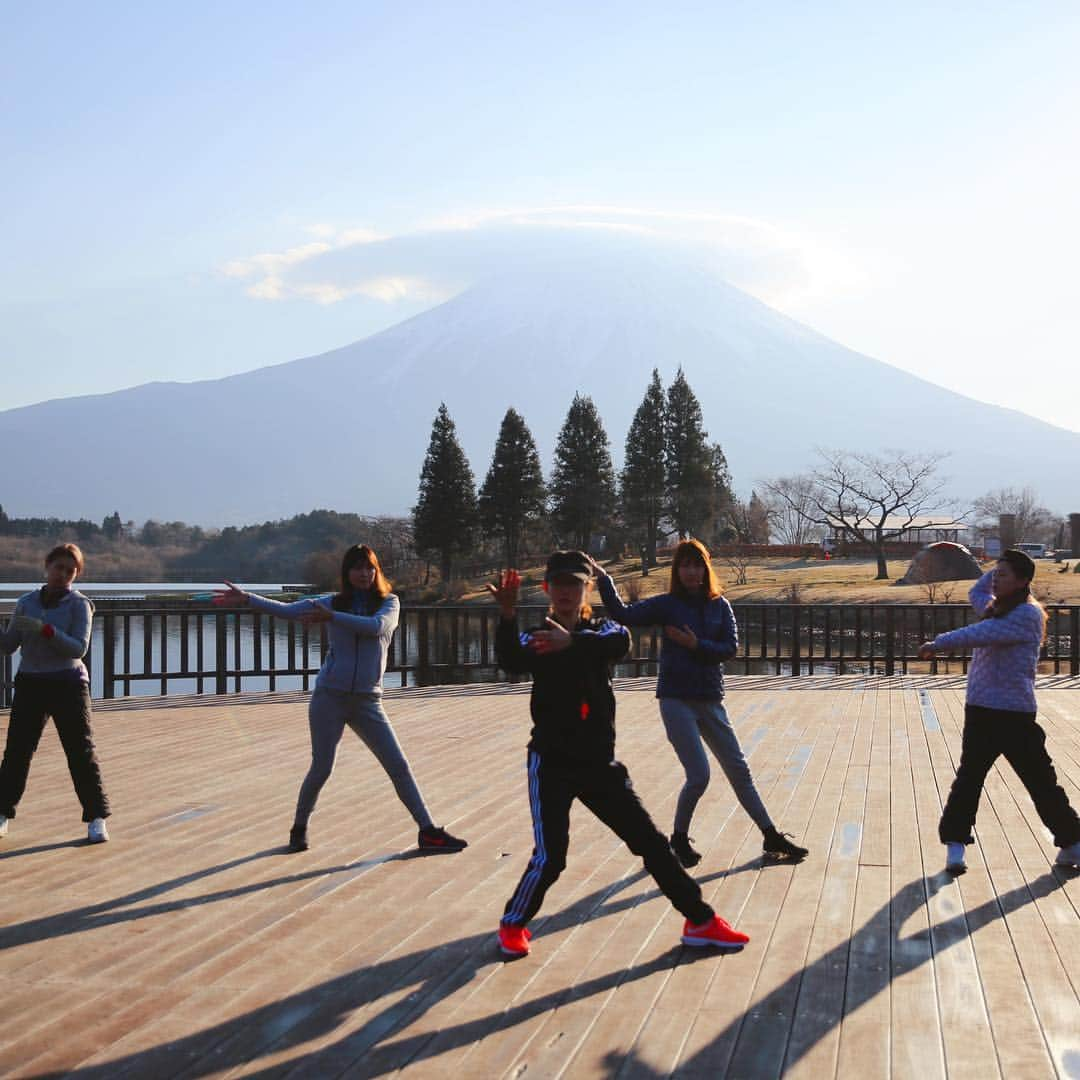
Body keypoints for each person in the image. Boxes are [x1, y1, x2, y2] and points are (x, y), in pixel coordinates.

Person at [489, 550, 749, 958]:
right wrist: (506, 617)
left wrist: (570, 641)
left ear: (586, 588)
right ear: (546, 589)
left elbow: (618, 642)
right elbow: (510, 660)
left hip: (599, 764)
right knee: (551, 857)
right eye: (558, 584)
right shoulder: (535, 636)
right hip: (551, 762)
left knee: (652, 844)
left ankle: (700, 920)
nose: (566, 592)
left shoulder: (602, 630)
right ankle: (513, 924)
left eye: (575, 583)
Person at [214, 544, 466, 854]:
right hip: (329, 697)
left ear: (376, 571)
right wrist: (248, 599)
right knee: (322, 768)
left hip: (367, 701)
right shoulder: (330, 603)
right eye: (357, 568)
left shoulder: (389, 603)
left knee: (398, 765)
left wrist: (333, 617)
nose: (364, 573)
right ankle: (299, 828)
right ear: (347, 573)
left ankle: (428, 832)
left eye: (369, 567)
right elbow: (289, 611)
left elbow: (376, 628)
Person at [594, 540, 808, 867]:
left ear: (706, 568)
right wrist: (603, 580)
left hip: (710, 699)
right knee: (699, 775)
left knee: (739, 770)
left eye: (697, 565)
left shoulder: (720, 606)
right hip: (676, 699)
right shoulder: (667, 604)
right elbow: (623, 614)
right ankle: (678, 839)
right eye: (685, 565)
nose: (691, 571)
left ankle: (770, 834)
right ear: (677, 570)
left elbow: (729, 649)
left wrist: (695, 644)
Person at [919, 548, 1080, 873]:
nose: (995, 580)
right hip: (980, 710)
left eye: (1004, 575)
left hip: (1012, 714)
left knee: (1039, 780)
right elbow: (976, 591)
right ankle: (955, 847)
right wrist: (995, 567)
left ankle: (1073, 843)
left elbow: (979, 634)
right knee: (969, 779)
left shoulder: (1026, 615)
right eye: (996, 574)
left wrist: (938, 643)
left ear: (1023, 581)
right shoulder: (997, 606)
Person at [0, 543, 110, 843]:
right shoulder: (25, 602)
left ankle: (96, 817)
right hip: (31, 683)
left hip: (68, 684)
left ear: (76, 575)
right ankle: (2, 812)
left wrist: (46, 630)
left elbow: (78, 648)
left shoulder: (79, 605)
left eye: (69, 571)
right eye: (58, 567)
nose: (62, 574)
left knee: (80, 751)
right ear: (47, 566)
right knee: (17, 752)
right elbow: (9, 646)